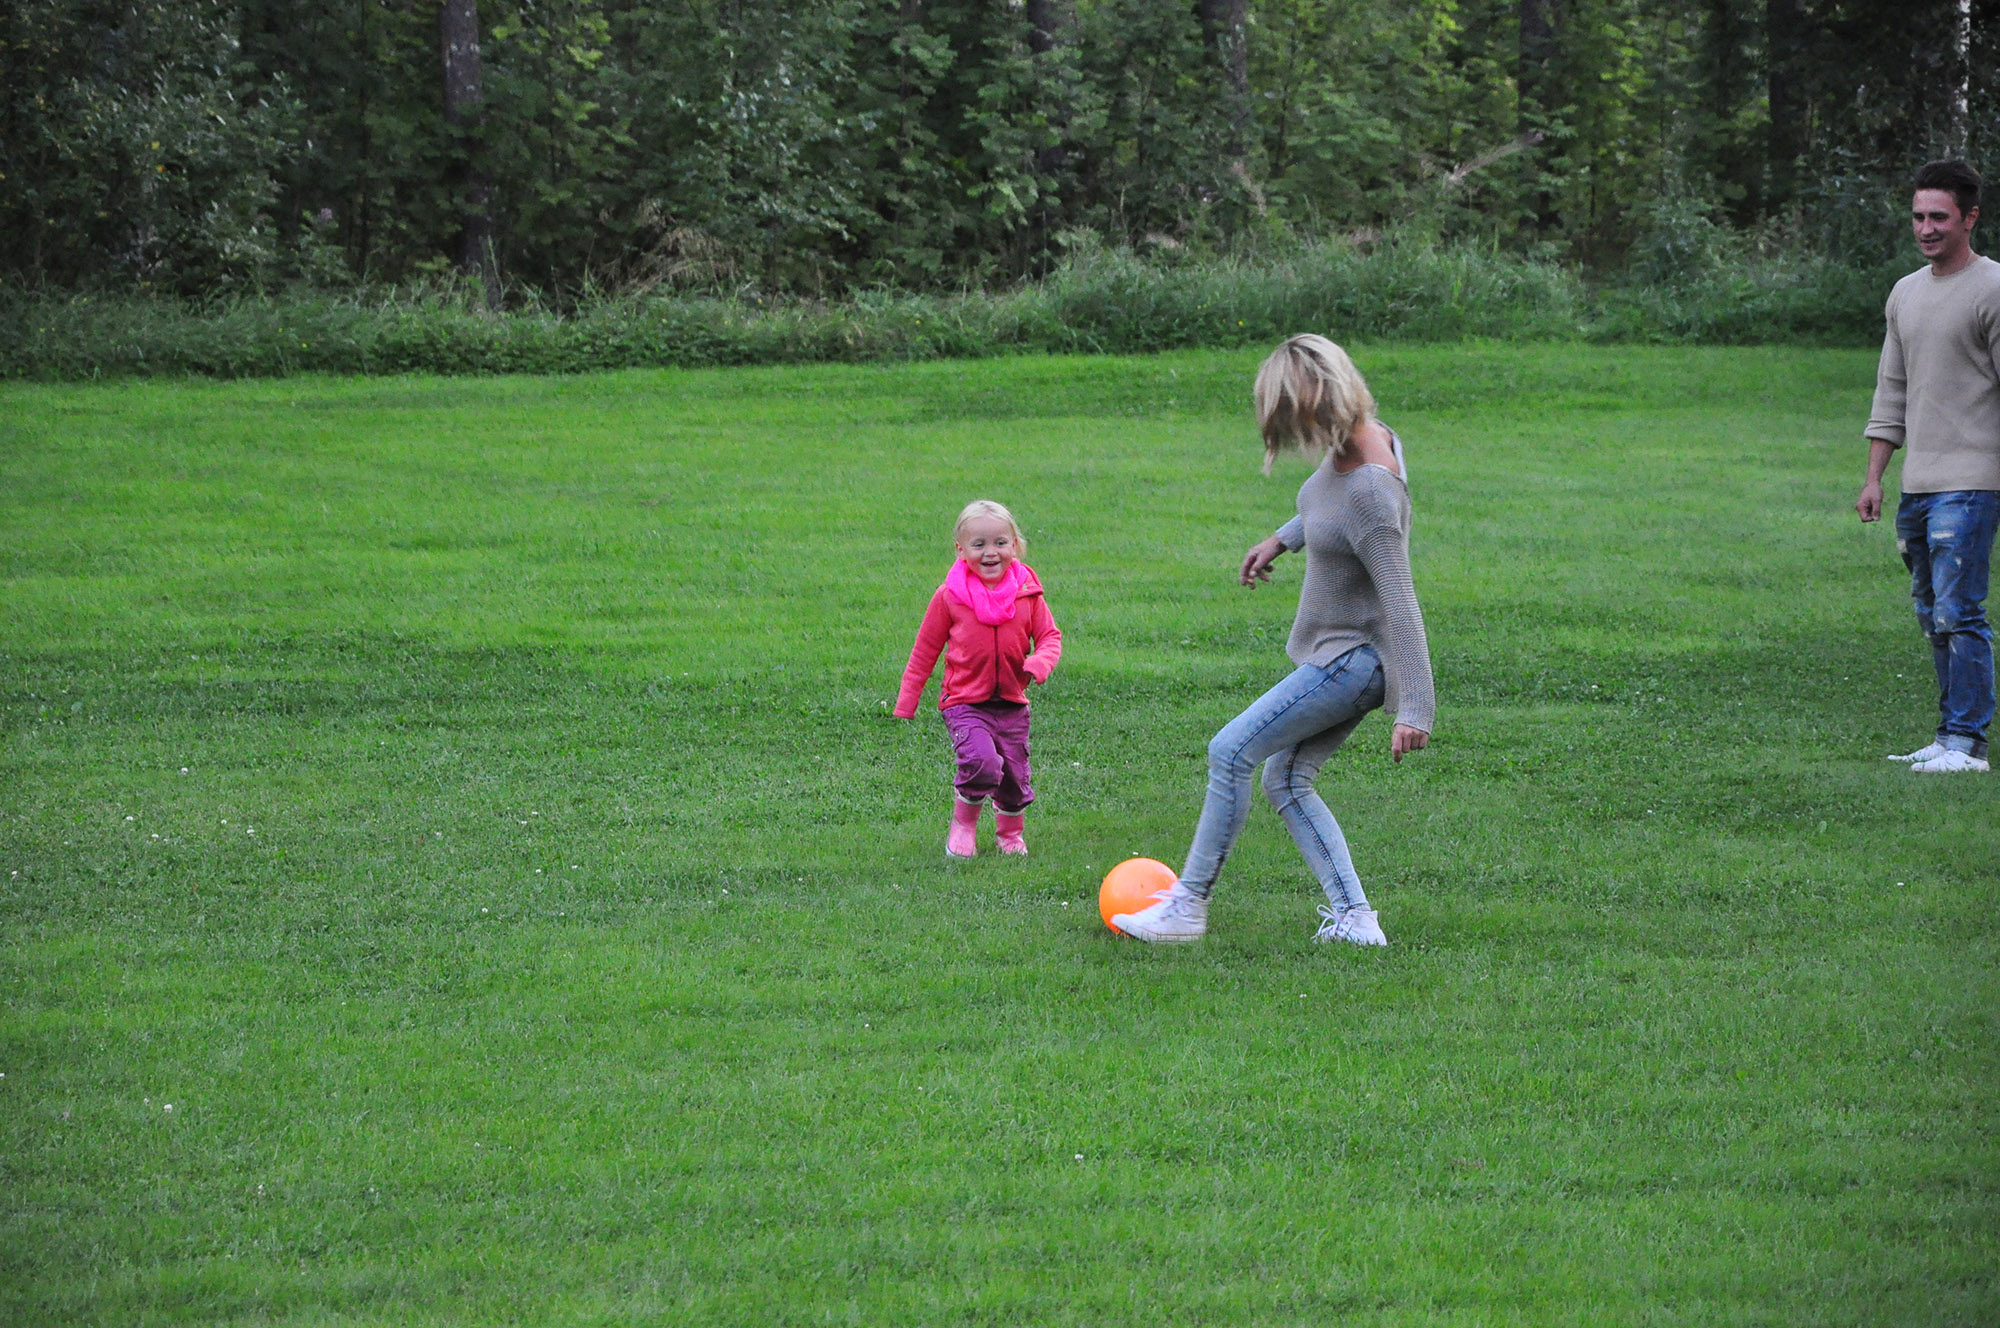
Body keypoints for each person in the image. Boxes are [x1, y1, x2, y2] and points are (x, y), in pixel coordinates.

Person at [1114, 335, 1434, 945]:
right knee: (1285, 780)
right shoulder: (1364, 436)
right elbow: (1326, 506)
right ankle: (1356, 920)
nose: (1291, 438)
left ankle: (1186, 909)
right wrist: (1283, 538)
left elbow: (1402, 603)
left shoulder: (1371, 490)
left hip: (1351, 660)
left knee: (1230, 751)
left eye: (1293, 421)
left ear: (1322, 402)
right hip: (1345, 655)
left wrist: (1416, 707)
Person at [1859, 159, 2000, 775]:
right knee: (1931, 613)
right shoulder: (1905, 293)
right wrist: (1875, 477)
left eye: (1938, 216)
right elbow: (1891, 391)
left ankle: (1968, 744)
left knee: (1959, 610)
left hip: (1973, 480)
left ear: (1970, 217)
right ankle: (1947, 738)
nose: (1925, 228)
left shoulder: (1993, 289)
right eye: (1918, 216)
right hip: (1920, 484)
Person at [894, 499, 1063, 856]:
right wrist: (906, 702)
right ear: (961, 550)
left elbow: (1050, 636)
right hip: (964, 701)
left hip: (1012, 704)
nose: (991, 553)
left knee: (1015, 779)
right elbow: (925, 651)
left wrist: (1040, 662)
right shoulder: (950, 597)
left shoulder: (1027, 593)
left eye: (1000, 543)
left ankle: (1009, 835)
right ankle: (964, 824)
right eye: (979, 544)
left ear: (1015, 545)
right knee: (982, 763)